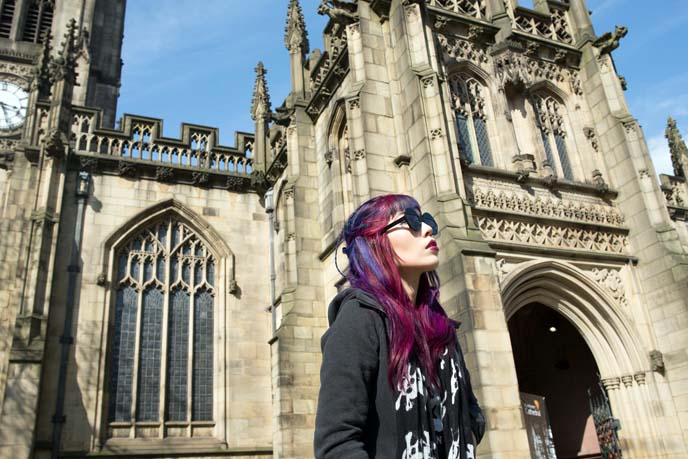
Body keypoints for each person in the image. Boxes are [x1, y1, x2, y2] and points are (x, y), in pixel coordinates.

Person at [314, 194, 485, 459]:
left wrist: (467, 435)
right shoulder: (359, 319)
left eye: (427, 220)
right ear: (375, 240)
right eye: (412, 221)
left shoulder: (440, 326)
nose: (428, 228)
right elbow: (337, 443)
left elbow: (471, 412)